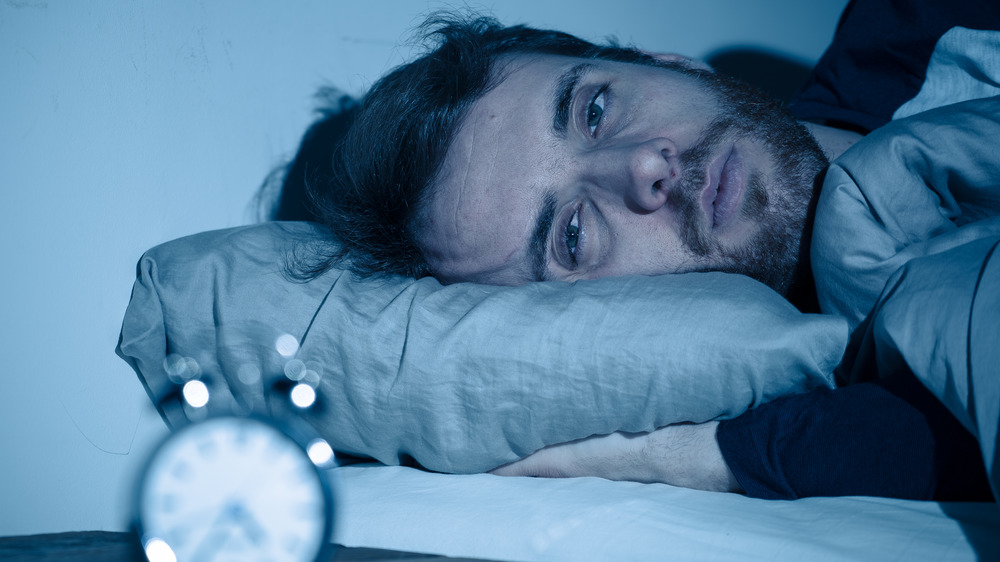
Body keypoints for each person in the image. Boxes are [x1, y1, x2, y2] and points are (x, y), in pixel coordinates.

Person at [288, 2, 998, 501]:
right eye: (572, 235)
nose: (643, 168)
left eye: (594, 110)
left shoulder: (918, 19)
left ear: (669, 65)